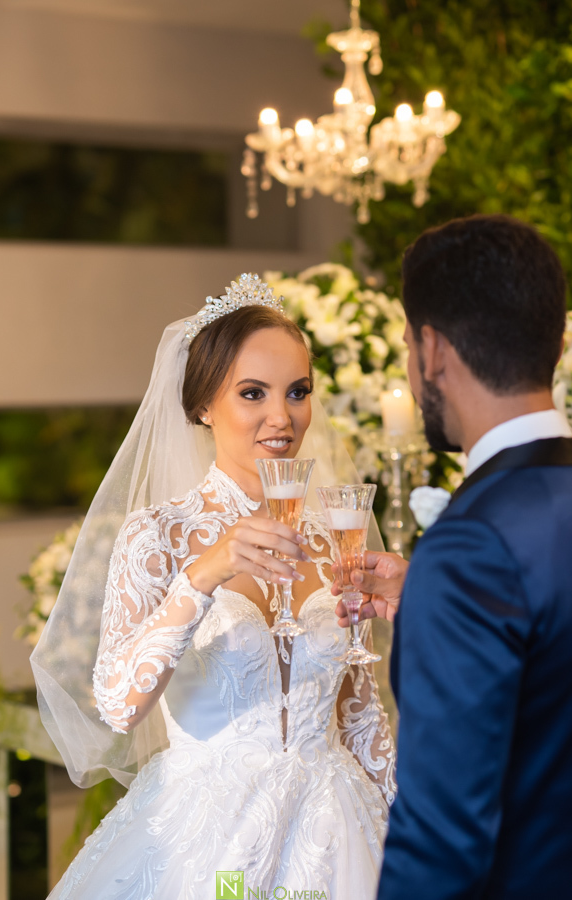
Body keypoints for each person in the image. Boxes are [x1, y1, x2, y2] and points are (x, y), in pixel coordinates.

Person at [31, 274, 395, 900]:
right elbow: (118, 706)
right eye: (252, 393)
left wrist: (415, 832)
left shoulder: (337, 538)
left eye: (298, 392)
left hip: (340, 836)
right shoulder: (160, 536)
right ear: (203, 406)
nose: (281, 417)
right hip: (207, 842)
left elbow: (359, 718)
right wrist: (203, 576)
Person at [337, 215, 572, 899]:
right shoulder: (484, 561)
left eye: (408, 344)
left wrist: (450, 591)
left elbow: (441, 845)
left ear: (430, 349)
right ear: (555, 342)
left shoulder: (470, 549)